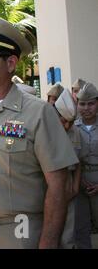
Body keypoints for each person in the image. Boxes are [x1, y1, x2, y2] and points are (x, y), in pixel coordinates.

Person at [0, 14, 78, 249]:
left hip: (21, 234)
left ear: (11, 63)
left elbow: (59, 185)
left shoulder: (39, 113)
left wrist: (48, 241)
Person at [54, 89, 82, 248]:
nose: (67, 126)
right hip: (48, 184)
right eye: (63, 120)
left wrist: (75, 187)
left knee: (68, 237)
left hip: (69, 184)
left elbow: (79, 162)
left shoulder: (75, 131)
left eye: (71, 122)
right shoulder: (45, 129)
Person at [74, 82, 98, 248]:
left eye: (91, 103)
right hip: (79, 182)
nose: (86, 108)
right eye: (82, 103)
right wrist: (79, 181)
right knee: (81, 228)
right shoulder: (72, 127)